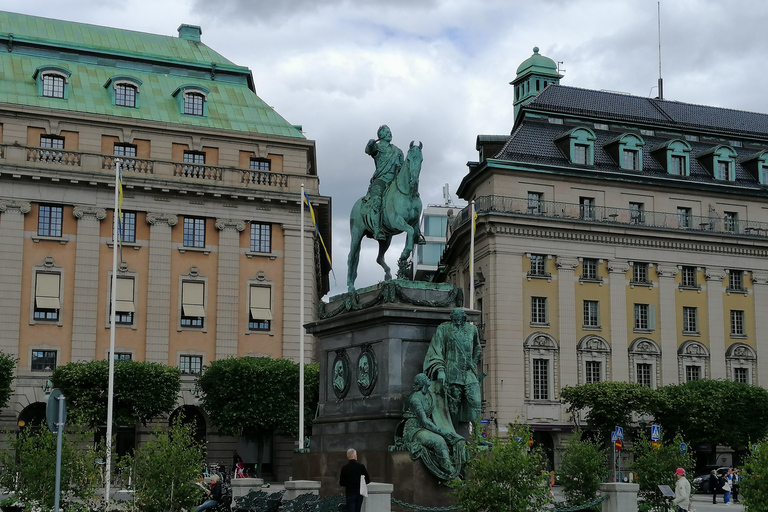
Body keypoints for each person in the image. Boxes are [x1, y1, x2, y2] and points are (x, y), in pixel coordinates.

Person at [423, 308, 483, 424]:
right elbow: (436, 349)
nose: (456, 322)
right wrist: (440, 369)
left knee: (476, 402)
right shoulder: (443, 329)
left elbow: (478, 348)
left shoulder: (472, 329)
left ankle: (479, 436)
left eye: (458, 320)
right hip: (452, 372)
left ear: (464, 319)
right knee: (453, 406)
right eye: (454, 320)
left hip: (468, 373)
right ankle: (453, 434)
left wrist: (474, 362)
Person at [401, 373, 464, 479]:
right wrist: (442, 432)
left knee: (455, 439)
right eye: (426, 378)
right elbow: (424, 421)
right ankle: (451, 473)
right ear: (422, 383)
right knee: (438, 441)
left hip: (427, 428)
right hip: (414, 430)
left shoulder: (429, 395)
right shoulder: (415, 399)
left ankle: (455, 468)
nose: (428, 378)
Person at [364, 124, 403, 240]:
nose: (389, 134)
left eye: (390, 131)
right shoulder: (377, 147)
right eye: (386, 132)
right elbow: (368, 150)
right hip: (381, 180)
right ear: (380, 135)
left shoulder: (398, 151)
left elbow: (402, 167)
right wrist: (370, 143)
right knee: (377, 201)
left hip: (394, 181)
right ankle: (376, 229)